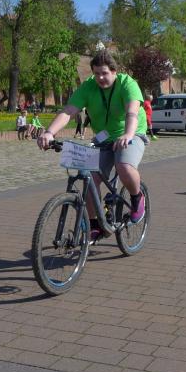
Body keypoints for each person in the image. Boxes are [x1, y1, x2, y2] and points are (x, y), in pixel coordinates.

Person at [38, 50, 148, 239]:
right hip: (104, 137)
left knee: (123, 165)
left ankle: (137, 197)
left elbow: (132, 112)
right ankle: (96, 223)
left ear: (114, 72)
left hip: (131, 132)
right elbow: (69, 111)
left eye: (104, 73)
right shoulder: (89, 87)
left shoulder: (127, 84)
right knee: (89, 178)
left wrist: (128, 134)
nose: (100, 78)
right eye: (97, 73)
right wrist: (49, 132)